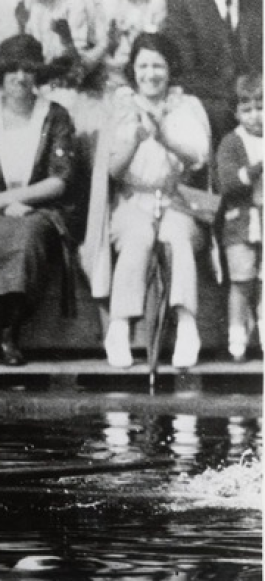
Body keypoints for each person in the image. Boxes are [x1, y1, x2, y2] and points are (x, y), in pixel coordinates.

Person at [0, 34, 76, 372]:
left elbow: (59, 179)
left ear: (38, 77)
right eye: (12, 71)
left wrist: (11, 200)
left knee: (26, 240)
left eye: (28, 71)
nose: (21, 78)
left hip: (36, 207)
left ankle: (10, 335)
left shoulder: (55, 116)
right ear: (0, 77)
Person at [96, 33, 211, 369]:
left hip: (177, 199)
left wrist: (164, 137)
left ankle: (188, 324)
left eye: (158, 65)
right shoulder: (121, 106)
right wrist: (135, 139)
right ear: (133, 69)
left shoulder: (187, 105)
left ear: (170, 69)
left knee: (177, 237)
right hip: (133, 201)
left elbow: (198, 158)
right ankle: (120, 327)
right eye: (143, 65)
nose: (151, 73)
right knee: (138, 237)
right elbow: (113, 170)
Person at [162, 0, 262, 149]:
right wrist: (237, 96)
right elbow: (184, 72)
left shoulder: (256, 5)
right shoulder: (183, 5)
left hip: (253, 95)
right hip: (210, 98)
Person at [216, 74, 262, 362]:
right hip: (240, 222)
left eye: (261, 107)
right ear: (236, 113)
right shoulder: (232, 142)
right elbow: (228, 183)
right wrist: (257, 168)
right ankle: (237, 335)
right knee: (242, 281)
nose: (255, 115)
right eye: (247, 109)